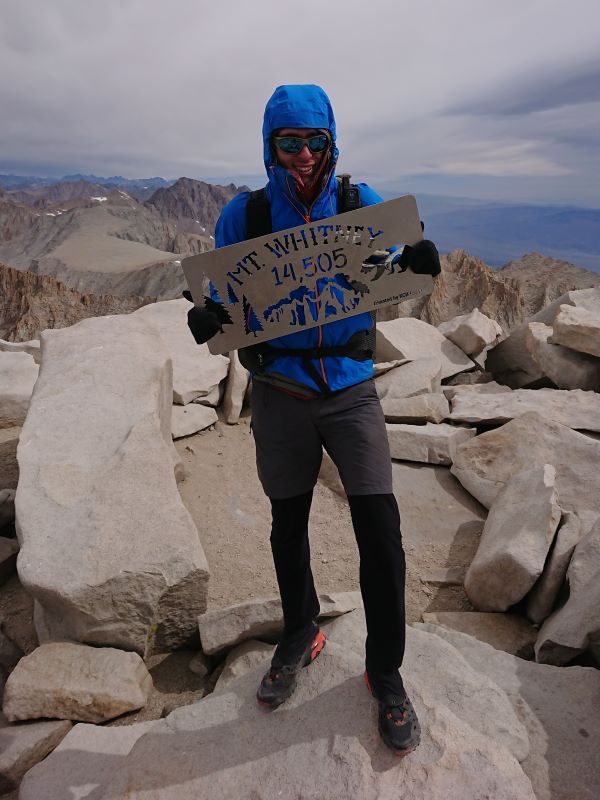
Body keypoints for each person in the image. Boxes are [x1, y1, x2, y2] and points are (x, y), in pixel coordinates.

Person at [186, 84, 441, 755]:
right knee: (287, 524)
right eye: (288, 142)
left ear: (331, 141)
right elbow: (223, 298)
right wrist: (209, 318)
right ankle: (300, 631)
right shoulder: (245, 216)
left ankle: (385, 673)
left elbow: (389, 265)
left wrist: (417, 263)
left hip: (352, 389)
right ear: (270, 146)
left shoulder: (358, 204)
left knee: (380, 531)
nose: (302, 155)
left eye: (314, 141)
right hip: (279, 390)